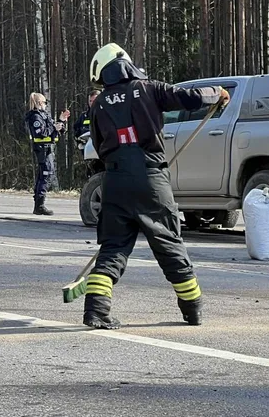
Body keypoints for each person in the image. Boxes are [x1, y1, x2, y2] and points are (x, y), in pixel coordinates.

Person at [82, 43, 229, 329]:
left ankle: (96, 311)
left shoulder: (99, 103)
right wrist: (218, 93)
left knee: (113, 248)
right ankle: (193, 310)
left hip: (114, 181)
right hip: (151, 179)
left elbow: (99, 146)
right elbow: (189, 98)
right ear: (125, 63)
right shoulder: (148, 88)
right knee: (169, 244)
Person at [25, 93, 69, 216]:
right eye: (45, 102)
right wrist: (54, 128)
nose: (45, 104)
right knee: (45, 174)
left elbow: (51, 128)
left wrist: (60, 122)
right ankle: (39, 205)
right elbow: (41, 133)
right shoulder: (35, 117)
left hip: (47, 148)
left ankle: (39, 203)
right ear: (39, 103)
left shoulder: (43, 115)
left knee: (44, 174)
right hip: (41, 149)